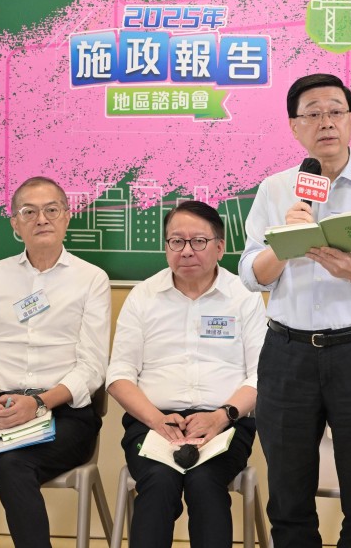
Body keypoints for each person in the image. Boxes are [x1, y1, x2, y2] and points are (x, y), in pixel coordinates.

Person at [239, 73, 351, 548]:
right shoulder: (277, 191)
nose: (326, 122)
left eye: (335, 111)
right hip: (286, 354)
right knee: (288, 502)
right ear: (295, 126)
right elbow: (250, 274)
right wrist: (286, 241)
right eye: (312, 113)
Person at [0, 176, 112, 548]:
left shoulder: (92, 280)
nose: (41, 219)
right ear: (14, 223)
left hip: (63, 414)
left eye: (51, 210)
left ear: (67, 217)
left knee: (13, 466)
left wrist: (39, 402)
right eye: (29, 211)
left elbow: (92, 367)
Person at [107, 200, 266, 548]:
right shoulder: (143, 296)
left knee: (205, 482)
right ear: (166, 247)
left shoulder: (244, 297)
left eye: (199, 241)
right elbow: (118, 375)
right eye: (176, 241)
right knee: (159, 483)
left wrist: (221, 416)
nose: (186, 251)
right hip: (153, 423)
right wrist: (156, 421)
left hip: (225, 424)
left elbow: (262, 374)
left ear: (220, 247)